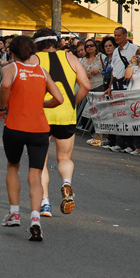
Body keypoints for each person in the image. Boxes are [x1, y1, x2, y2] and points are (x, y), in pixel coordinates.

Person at [0, 35, 64, 242]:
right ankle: (35, 220)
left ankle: (15, 212)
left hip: (15, 127)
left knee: (12, 166)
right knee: (35, 175)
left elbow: (6, 85)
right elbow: (59, 99)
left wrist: (2, 107)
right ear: (33, 52)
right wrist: (41, 105)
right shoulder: (42, 72)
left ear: (13, 52)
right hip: (39, 130)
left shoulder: (10, 69)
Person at [32, 28, 90, 217]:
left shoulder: (34, 60)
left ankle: (45, 203)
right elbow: (86, 86)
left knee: (40, 161)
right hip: (65, 114)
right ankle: (66, 183)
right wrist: (72, 104)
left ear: (36, 44)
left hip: (41, 114)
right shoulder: (71, 58)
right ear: (55, 42)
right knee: (64, 158)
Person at [103, 27, 138, 152]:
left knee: (128, 115)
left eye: (119, 35)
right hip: (116, 85)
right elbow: (114, 70)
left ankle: (130, 144)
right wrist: (110, 87)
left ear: (125, 35)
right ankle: (118, 142)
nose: (117, 38)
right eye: (115, 35)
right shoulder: (116, 51)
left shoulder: (134, 48)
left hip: (127, 85)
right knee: (117, 115)